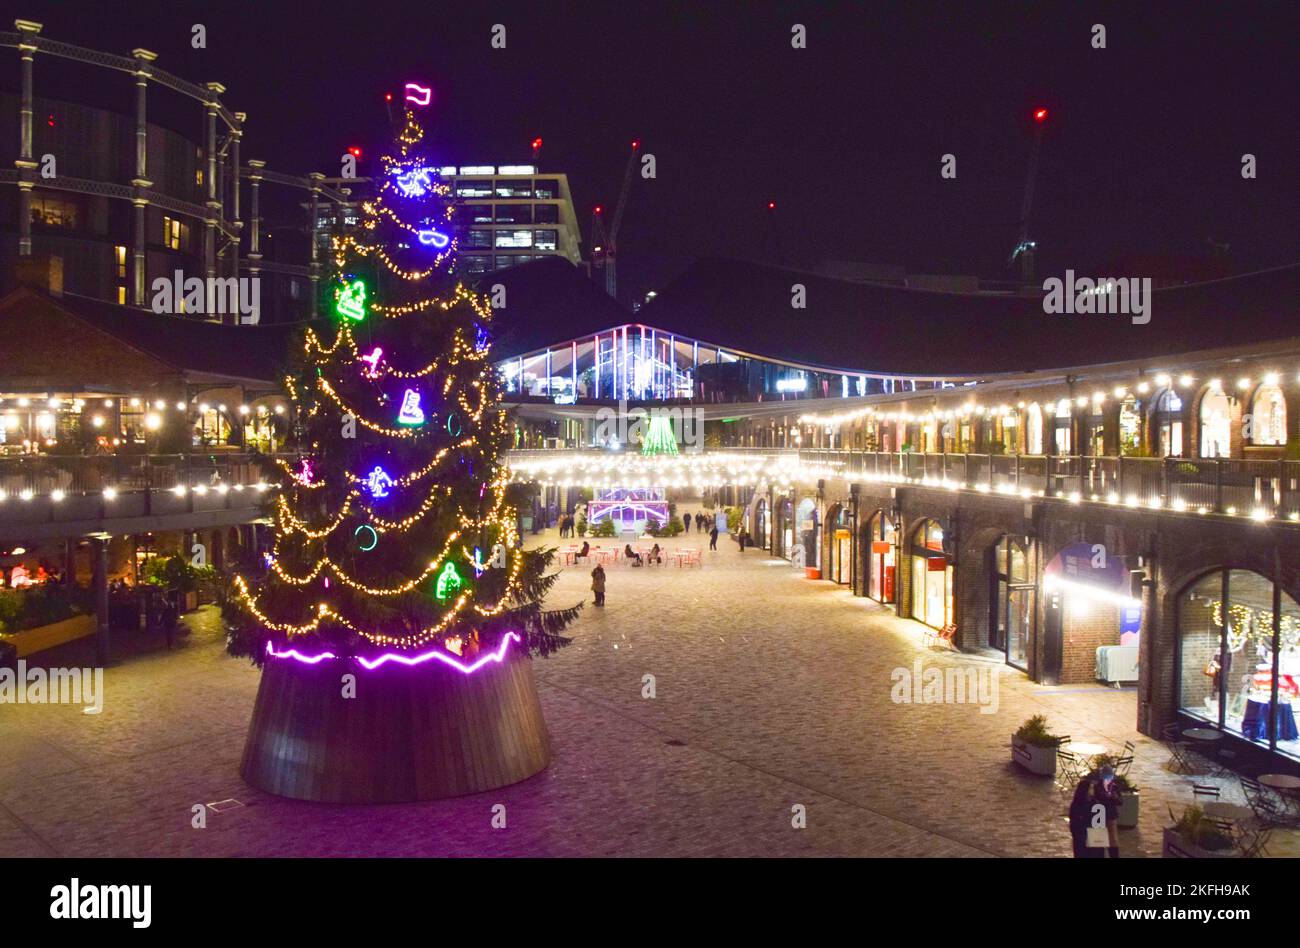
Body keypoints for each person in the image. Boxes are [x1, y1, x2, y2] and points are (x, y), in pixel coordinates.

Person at [1068, 765, 1122, 858]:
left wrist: (1114, 797)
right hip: (1091, 827)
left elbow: (1120, 801)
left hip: (1108, 814)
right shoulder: (1095, 792)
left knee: (1112, 838)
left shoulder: (1113, 787)